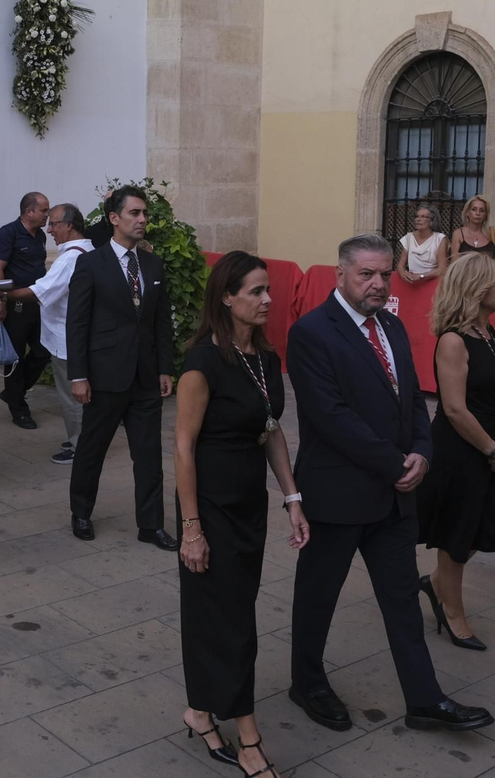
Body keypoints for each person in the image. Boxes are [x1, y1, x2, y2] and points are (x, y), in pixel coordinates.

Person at [284, 232, 494, 736]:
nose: (378, 284)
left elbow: (414, 403)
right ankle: (306, 682)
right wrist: (397, 463)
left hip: (395, 501)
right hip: (338, 496)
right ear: (340, 274)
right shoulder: (312, 333)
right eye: (367, 275)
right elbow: (330, 417)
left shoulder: (394, 327)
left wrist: (423, 450)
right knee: (319, 596)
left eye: (385, 275)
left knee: (402, 600)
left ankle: (425, 699)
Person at [175, 251, 310, 777]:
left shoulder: (265, 356)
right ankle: (249, 738)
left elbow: (271, 428)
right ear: (226, 298)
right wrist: (191, 530)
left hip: (249, 504)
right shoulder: (201, 363)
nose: (267, 299)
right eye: (255, 291)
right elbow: (183, 448)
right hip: (208, 507)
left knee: (229, 615)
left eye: (268, 290)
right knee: (231, 625)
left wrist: (292, 498)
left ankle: (199, 710)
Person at [65, 185, 180, 550]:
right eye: (135, 213)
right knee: (91, 449)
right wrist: (79, 375)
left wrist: (165, 368)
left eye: (144, 213)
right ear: (114, 218)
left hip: (145, 378)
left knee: (148, 456)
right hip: (103, 377)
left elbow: (161, 321)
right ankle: (81, 511)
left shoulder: (153, 264)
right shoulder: (91, 263)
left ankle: (151, 525)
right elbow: (77, 323)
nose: (142, 219)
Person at [418, 253, 495, 652]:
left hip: (485, 448)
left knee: (485, 527)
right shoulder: (454, 340)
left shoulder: (487, 333)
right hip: (459, 451)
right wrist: (492, 448)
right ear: (476, 290)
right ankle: (452, 613)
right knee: (457, 538)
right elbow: (455, 409)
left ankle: (437, 583)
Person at [0, 205, 93, 465]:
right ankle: (82, 438)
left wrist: (1, 293)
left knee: (72, 396)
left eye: (55, 223)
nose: (50, 229)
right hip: (74, 336)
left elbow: (39, 292)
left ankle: (80, 445)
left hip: (65, 340)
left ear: (69, 225)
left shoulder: (70, 259)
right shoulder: (88, 250)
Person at [0, 192, 53, 429]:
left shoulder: (40, 236)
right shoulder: (9, 233)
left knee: (43, 349)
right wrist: (1, 302)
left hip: (36, 302)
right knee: (14, 356)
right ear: (29, 212)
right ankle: (19, 410)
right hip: (14, 304)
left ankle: (14, 391)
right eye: (44, 210)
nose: (47, 215)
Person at [398, 207, 448, 285]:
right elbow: (401, 264)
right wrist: (403, 273)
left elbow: (442, 269)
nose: (418, 219)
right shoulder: (408, 238)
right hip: (412, 282)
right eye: (417, 216)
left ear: (431, 221)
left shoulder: (439, 239)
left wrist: (421, 276)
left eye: (423, 217)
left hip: (432, 282)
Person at [449, 195, 495, 261]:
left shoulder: (493, 234)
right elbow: (454, 263)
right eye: (474, 209)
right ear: (467, 212)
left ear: (485, 215)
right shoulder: (458, 234)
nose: (478, 213)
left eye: (482, 210)